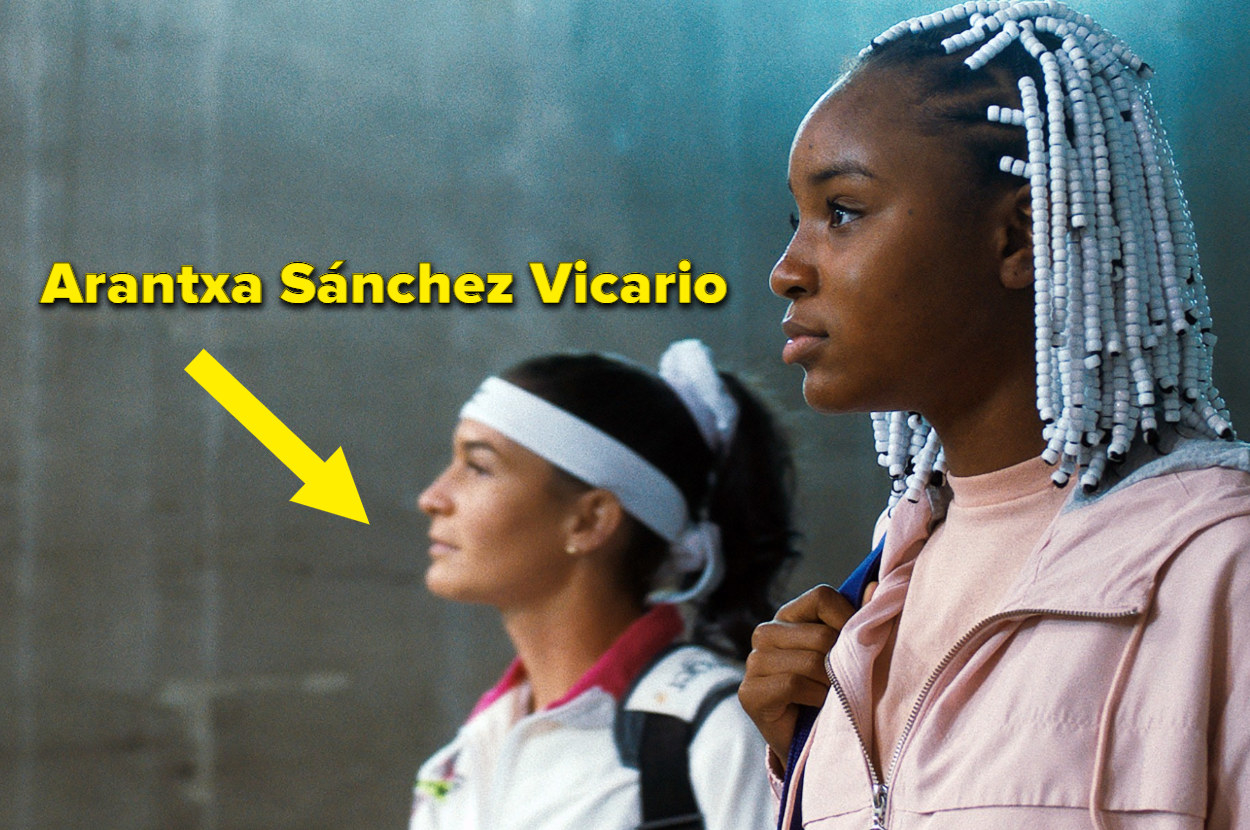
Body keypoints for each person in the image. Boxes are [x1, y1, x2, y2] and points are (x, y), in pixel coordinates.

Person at [738, 2, 1250, 828]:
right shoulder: (873, 604)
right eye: (795, 220)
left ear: (1018, 238)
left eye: (842, 211)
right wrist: (799, 763)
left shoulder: (1222, 566)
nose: (787, 270)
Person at [410, 340, 800, 830]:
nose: (433, 497)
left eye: (479, 466)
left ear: (590, 520)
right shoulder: (461, 760)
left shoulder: (716, 729)